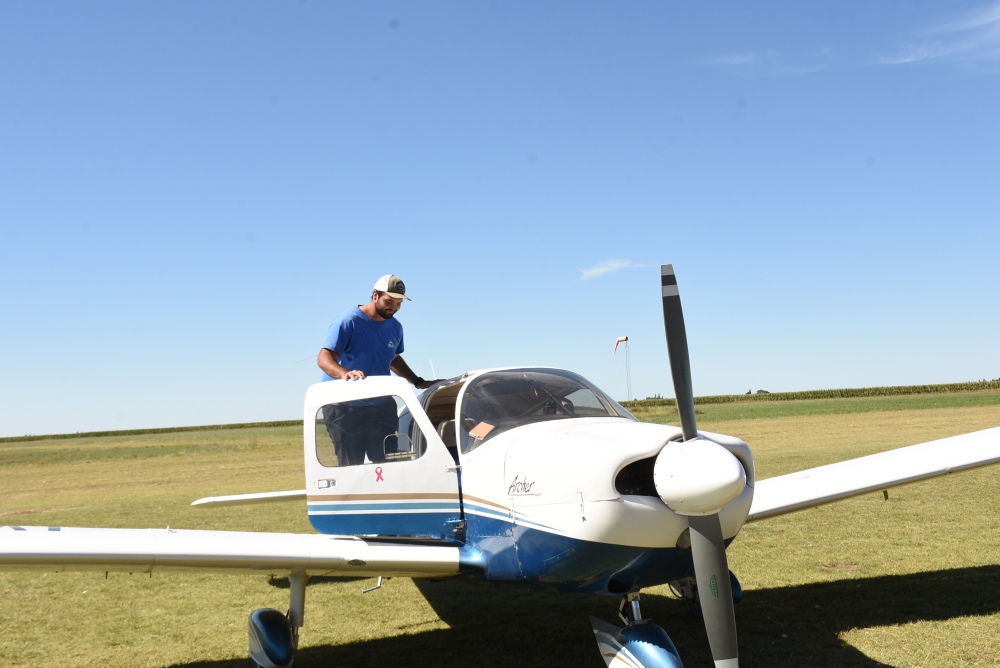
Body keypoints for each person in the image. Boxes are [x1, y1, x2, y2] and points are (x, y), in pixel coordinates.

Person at [317, 274, 437, 466]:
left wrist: (417, 381)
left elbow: (392, 358)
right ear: (375, 295)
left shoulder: (396, 327)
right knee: (351, 468)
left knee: (389, 464)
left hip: (380, 405)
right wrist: (344, 374)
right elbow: (324, 358)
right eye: (389, 301)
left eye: (399, 304)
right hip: (344, 407)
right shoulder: (348, 321)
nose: (394, 308)